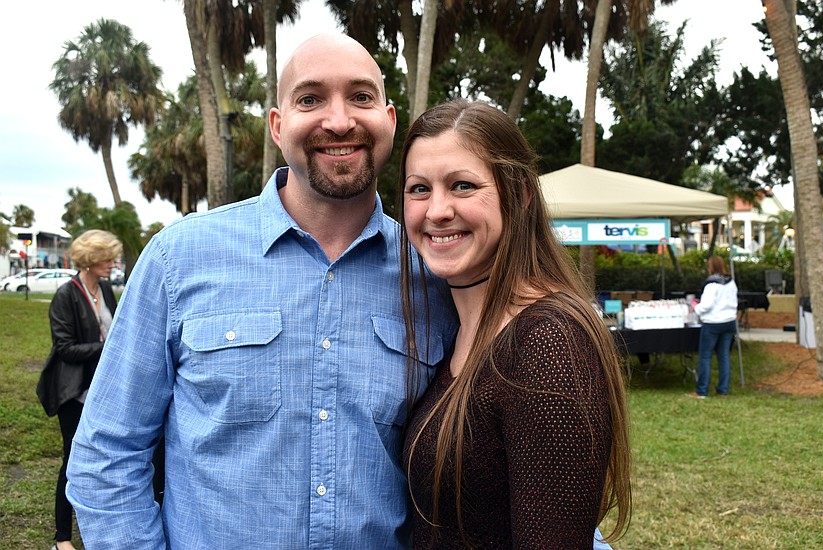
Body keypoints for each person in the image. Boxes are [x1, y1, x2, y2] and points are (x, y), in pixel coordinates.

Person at [66, 34, 456, 548]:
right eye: (310, 98)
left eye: (360, 97)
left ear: (388, 120)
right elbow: (106, 453)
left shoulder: (435, 275)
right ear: (278, 126)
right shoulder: (179, 258)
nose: (339, 121)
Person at [398, 100, 631, 548]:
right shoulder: (457, 327)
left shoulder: (547, 340)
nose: (437, 210)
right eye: (419, 189)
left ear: (520, 194)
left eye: (463, 185)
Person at [35, 229, 121, 550]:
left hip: (103, 390)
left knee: (106, 459)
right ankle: (62, 538)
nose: (112, 263)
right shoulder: (66, 295)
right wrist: (106, 346)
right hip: (74, 393)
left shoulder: (107, 289)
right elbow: (66, 349)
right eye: (106, 258)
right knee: (72, 461)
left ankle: (100, 520)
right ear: (89, 260)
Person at [690, 255, 738, 398]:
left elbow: (707, 305)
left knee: (705, 357)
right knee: (724, 356)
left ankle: (702, 391)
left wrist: (696, 307)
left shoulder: (712, 284)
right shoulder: (731, 282)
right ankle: (722, 390)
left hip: (713, 323)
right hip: (729, 321)